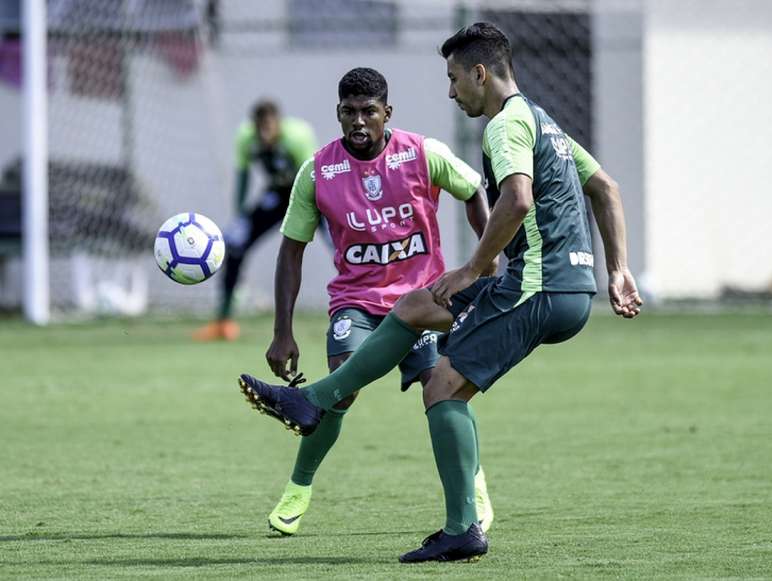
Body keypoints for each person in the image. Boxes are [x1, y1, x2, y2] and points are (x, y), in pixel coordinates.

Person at [238, 23, 642, 563]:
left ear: (480, 73)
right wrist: (618, 268)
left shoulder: (503, 127)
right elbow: (606, 188)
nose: (451, 92)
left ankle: (462, 528)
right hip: (568, 285)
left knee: (443, 387)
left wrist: (475, 267)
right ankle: (313, 402)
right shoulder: (545, 122)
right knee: (417, 306)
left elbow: (516, 199)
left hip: (539, 286)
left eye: (454, 79)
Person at [258, 67, 497, 536]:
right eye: (349, 112)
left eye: (369, 111)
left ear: (387, 113)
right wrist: (282, 331)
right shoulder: (318, 171)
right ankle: (298, 488)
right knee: (340, 387)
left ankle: (474, 487)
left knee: (444, 386)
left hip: (425, 299)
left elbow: (473, 192)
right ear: (338, 114)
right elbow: (291, 250)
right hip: (357, 302)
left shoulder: (424, 153)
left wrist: (483, 259)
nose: (359, 121)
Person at [194, 100, 317, 341]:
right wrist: (241, 216)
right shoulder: (245, 138)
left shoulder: (298, 136)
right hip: (277, 195)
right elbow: (243, 176)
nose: (264, 134)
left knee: (341, 247)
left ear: (278, 124)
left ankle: (365, 310)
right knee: (236, 244)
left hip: (311, 196)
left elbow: (314, 176)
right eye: (260, 128)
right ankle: (223, 320)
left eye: (269, 127)